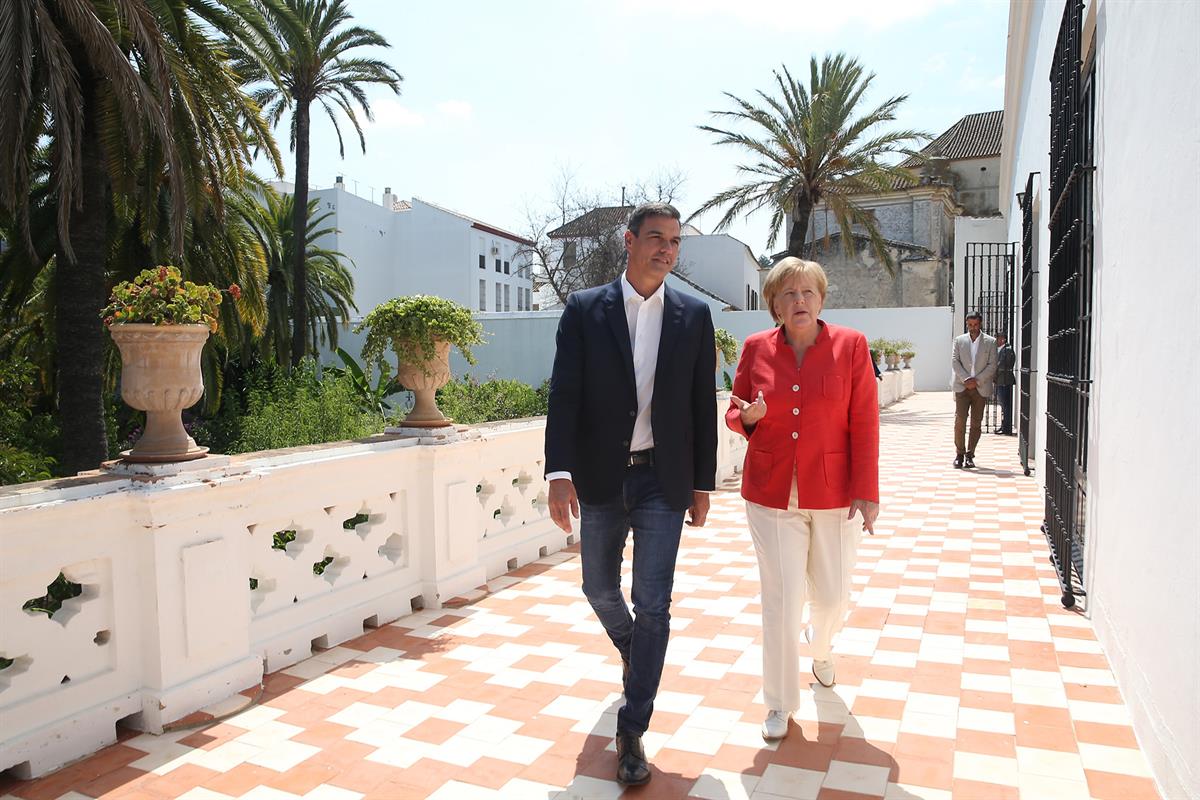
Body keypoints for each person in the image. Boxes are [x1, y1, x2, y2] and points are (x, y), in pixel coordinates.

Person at [544, 202, 717, 786]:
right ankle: (639, 658)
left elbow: (701, 405)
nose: (666, 250)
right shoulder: (586, 308)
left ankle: (633, 726)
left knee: (655, 605)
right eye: (655, 239)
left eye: (674, 242)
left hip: (662, 480)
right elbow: (563, 394)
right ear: (629, 241)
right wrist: (557, 472)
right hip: (599, 475)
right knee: (597, 586)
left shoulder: (694, 314)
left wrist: (701, 483)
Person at [726, 258, 879, 742]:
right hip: (771, 493)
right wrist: (748, 416)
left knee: (832, 595)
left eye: (808, 292)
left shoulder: (851, 346)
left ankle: (823, 649)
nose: (799, 301)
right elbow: (736, 408)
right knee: (782, 599)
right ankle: (778, 702)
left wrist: (867, 490)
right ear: (773, 304)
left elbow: (865, 420)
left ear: (822, 299)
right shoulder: (756, 348)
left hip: (834, 492)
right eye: (788, 294)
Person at [950, 312, 997, 468]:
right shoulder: (959, 340)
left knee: (976, 423)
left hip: (980, 388)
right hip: (962, 387)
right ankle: (959, 454)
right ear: (966, 324)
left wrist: (976, 380)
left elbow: (992, 365)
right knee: (960, 421)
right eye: (970, 325)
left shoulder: (990, 342)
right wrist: (966, 379)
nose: (973, 328)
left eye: (975, 325)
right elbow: (955, 361)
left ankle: (970, 454)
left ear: (980, 324)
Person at [994, 333, 1016, 436]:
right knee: (1003, 405)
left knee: (1006, 405)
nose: (996, 341)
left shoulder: (1007, 350)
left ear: (1003, 339)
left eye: (997, 338)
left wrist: (993, 375)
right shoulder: (1003, 349)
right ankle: (1004, 426)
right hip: (1001, 380)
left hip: (1004, 381)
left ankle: (1006, 427)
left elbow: (1001, 365)